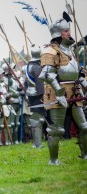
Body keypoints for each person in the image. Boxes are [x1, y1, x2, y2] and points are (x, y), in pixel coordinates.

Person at [39, 14, 87, 164]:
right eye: (66, 31)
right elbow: (47, 74)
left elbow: (76, 74)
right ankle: (53, 160)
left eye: (68, 30)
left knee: (84, 127)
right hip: (57, 92)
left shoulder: (69, 51)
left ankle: (85, 155)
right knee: (57, 130)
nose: (69, 33)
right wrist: (59, 92)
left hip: (74, 92)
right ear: (58, 33)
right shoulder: (50, 51)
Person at [25, 47, 45, 148]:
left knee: (35, 118)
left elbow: (25, 83)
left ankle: (36, 143)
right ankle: (37, 144)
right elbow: (40, 83)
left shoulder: (28, 66)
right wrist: (43, 95)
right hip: (38, 94)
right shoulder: (37, 67)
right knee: (38, 119)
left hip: (31, 93)